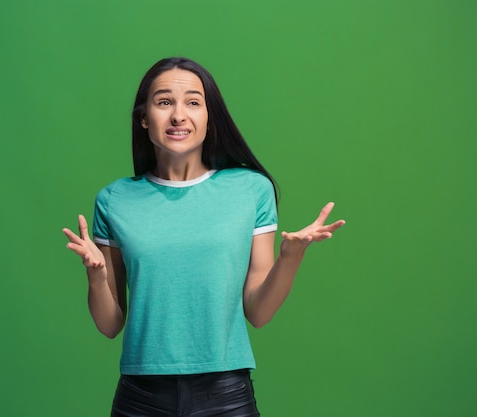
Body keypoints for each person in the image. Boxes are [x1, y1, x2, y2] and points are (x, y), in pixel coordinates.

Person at [62, 57, 345, 417]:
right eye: (165, 102)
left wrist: (291, 256)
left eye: (193, 102)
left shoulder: (250, 190)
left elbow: (258, 312)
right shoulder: (115, 199)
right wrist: (96, 276)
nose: (179, 115)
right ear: (144, 117)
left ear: (209, 117)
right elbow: (109, 325)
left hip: (225, 394)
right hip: (141, 396)